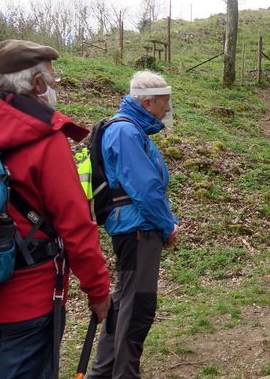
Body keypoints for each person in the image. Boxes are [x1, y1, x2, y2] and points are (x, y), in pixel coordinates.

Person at [0, 39, 111, 378]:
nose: (54, 87)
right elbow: (75, 224)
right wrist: (97, 289)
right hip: (28, 302)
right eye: (52, 80)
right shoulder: (46, 139)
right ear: (37, 84)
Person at [88, 71, 179, 379]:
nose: (168, 108)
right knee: (137, 307)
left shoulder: (129, 130)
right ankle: (124, 374)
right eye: (165, 102)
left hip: (133, 228)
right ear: (147, 102)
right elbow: (145, 187)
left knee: (125, 302)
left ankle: (102, 373)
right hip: (138, 230)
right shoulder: (126, 133)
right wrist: (168, 225)